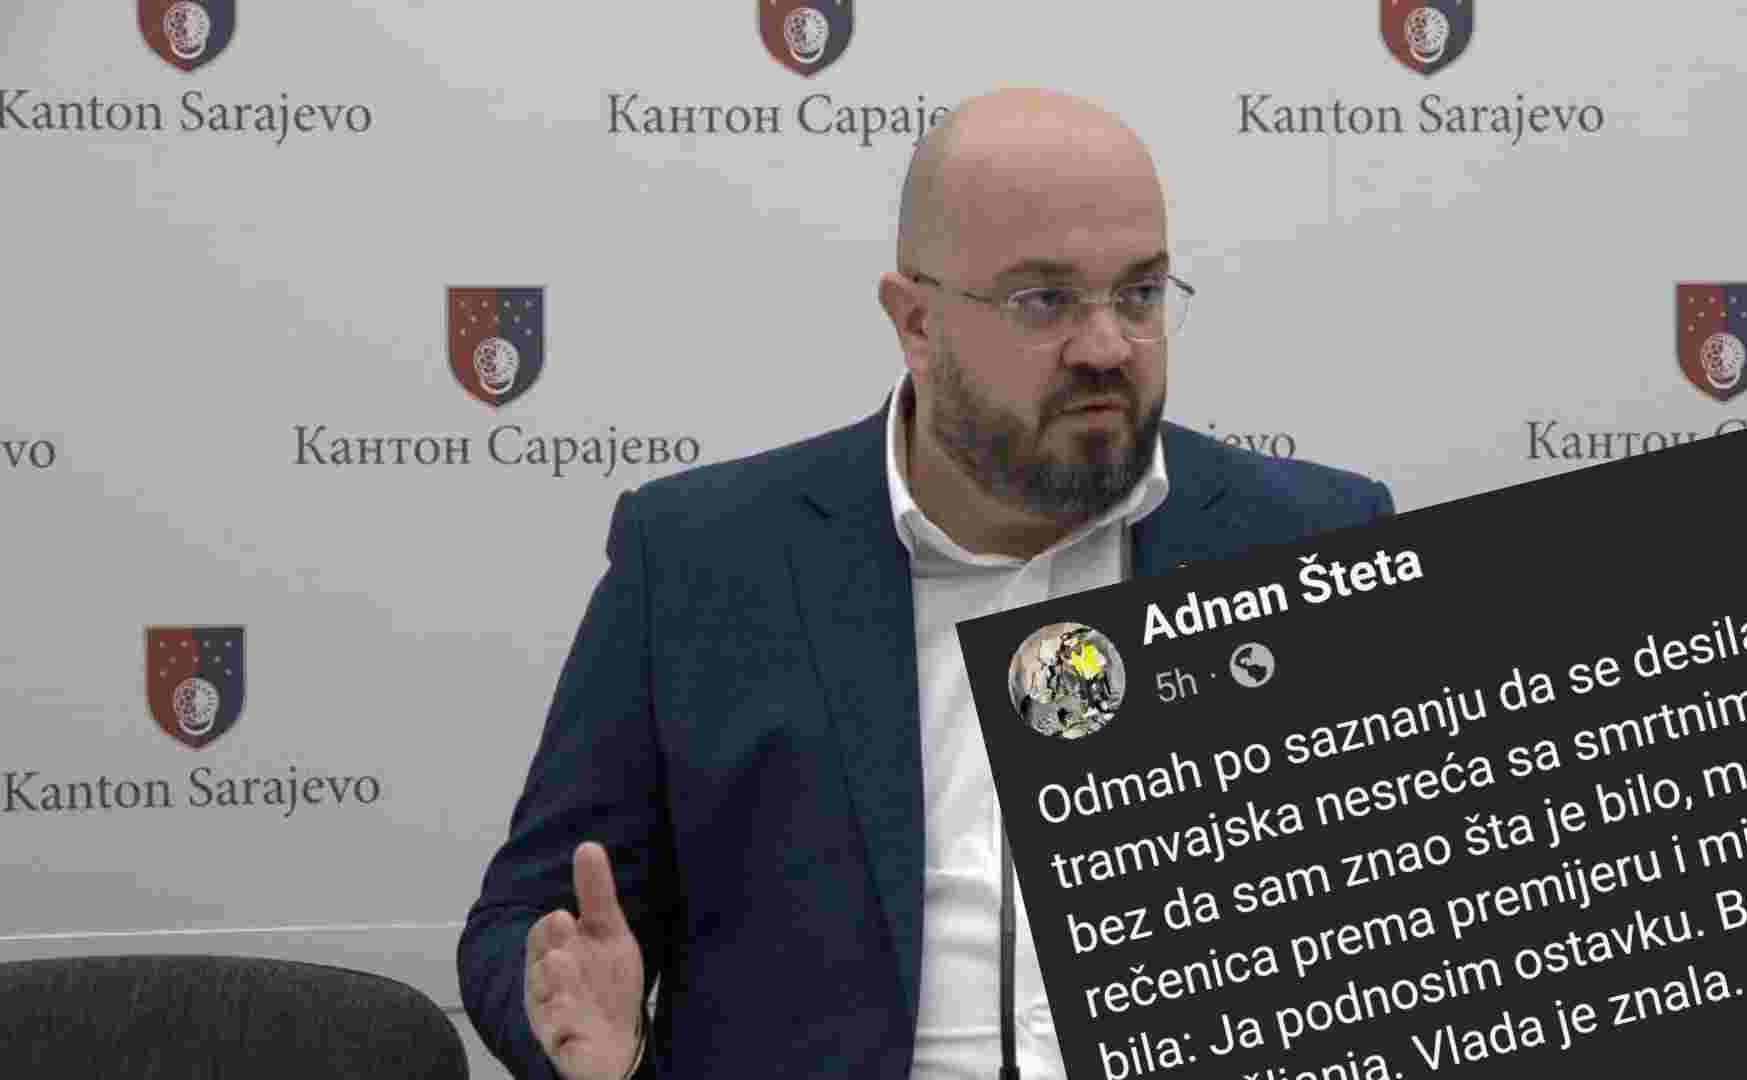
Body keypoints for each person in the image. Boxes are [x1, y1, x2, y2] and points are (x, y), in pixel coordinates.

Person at [455, 86, 1394, 1080]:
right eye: (1043, 301)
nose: (1105, 346)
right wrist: (589, 1037)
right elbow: (533, 920)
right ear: (915, 322)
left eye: (1140, 293)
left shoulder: (1311, 541)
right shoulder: (702, 558)